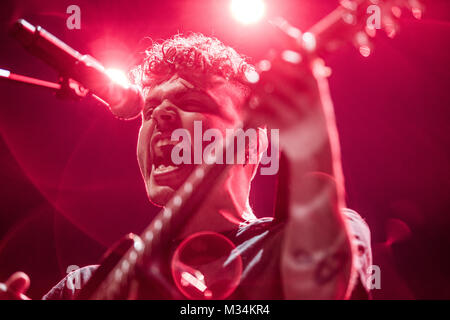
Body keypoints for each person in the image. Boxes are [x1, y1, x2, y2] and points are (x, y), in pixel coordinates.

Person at [0, 32, 372, 300]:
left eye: (192, 103)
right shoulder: (87, 287)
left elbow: (320, 289)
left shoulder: (300, 239)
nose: (159, 116)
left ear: (253, 143)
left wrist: (311, 134)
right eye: (148, 110)